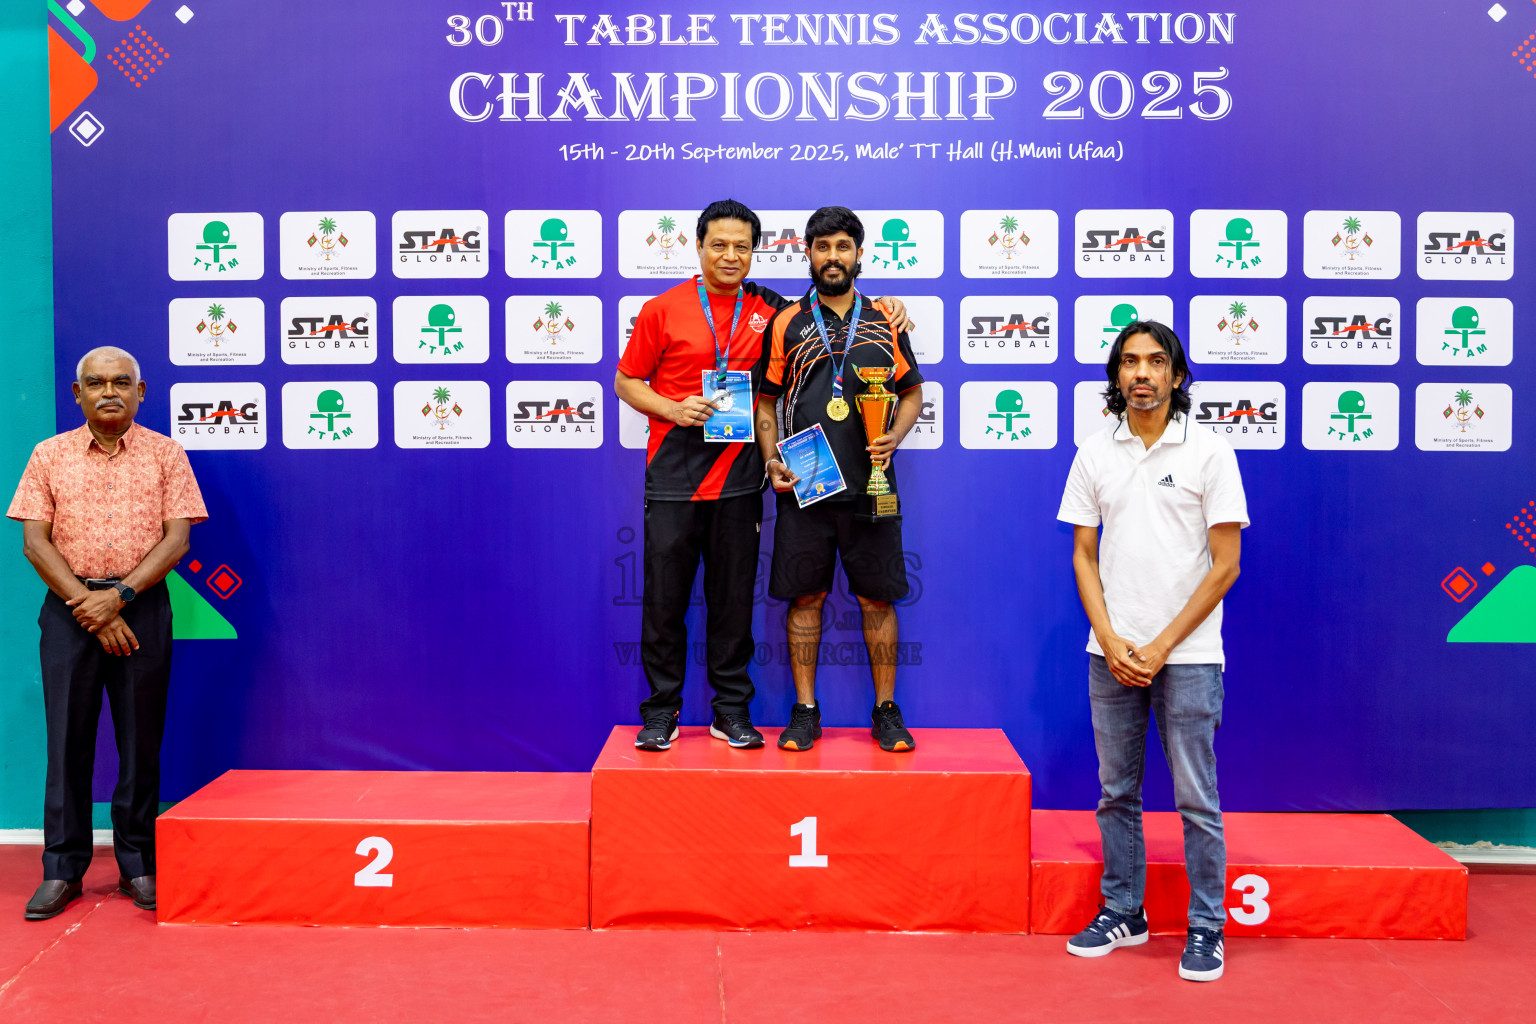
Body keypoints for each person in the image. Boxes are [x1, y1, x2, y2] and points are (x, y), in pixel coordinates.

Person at [616, 200, 909, 752]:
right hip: (674, 476)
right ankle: (661, 714)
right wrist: (672, 408)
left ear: (755, 252)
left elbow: (829, 306)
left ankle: (731, 711)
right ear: (698, 246)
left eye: (742, 247)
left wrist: (890, 308)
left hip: (741, 481)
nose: (730, 256)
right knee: (663, 606)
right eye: (719, 245)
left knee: (732, 605)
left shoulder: (772, 310)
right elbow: (625, 381)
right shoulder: (662, 309)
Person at [1056, 321, 1247, 981]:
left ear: (1176, 375)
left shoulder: (1210, 451)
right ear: (1116, 377)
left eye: (1155, 362)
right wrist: (1110, 639)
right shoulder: (1093, 451)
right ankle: (1124, 912)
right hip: (1110, 653)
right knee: (1116, 792)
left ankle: (1206, 928)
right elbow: (1082, 552)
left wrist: (1163, 644)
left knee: (1196, 796)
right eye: (1130, 362)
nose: (1142, 373)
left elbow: (1225, 566)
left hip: (1189, 656)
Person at [8, 347, 207, 920]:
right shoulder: (49, 455)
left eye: (123, 382)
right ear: (79, 395)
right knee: (67, 742)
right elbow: (35, 542)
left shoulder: (167, 455)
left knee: (140, 742)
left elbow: (177, 540)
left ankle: (137, 863)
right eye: (95, 383)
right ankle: (61, 868)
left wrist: (118, 598)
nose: (109, 391)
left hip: (140, 609)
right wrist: (87, 603)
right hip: (69, 613)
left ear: (141, 393)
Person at [754, 207, 924, 753]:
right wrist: (769, 459)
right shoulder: (787, 321)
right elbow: (766, 401)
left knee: (878, 599)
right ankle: (805, 711)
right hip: (806, 480)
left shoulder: (884, 318)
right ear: (807, 252)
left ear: (859, 254)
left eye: (843, 246)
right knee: (806, 598)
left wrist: (894, 435)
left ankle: (886, 710)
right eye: (822, 246)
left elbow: (913, 392)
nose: (833, 256)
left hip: (873, 480)